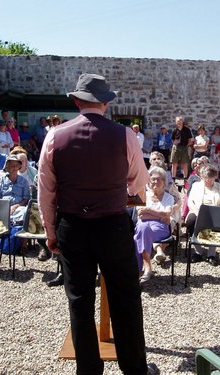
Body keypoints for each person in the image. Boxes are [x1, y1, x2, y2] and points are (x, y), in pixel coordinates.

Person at [38, 73, 151, 374]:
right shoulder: (124, 135)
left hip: (72, 226)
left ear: (76, 101)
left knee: (79, 301)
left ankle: (88, 371)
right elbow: (139, 181)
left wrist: (51, 233)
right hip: (112, 226)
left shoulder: (54, 136)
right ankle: (135, 370)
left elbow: (46, 191)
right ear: (105, 102)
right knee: (126, 299)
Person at [134, 166, 174, 283]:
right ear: (148, 181)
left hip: (161, 229)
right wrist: (159, 215)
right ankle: (147, 269)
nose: (155, 182)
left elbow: (167, 215)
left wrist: (148, 210)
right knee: (143, 228)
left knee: (138, 235)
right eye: (153, 179)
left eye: (158, 179)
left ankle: (141, 270)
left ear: (164, 182)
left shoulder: (168, 197)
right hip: (144, 226)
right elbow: (141, 215)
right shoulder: (143, 195)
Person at [186, 164, 220, 266]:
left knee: (215, 223)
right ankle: (198, 251)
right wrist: (197, 212)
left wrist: (218, 210)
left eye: (211, 179)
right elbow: (190, 201)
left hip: (214, 212)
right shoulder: (196, 186)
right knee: (191, 221)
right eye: (206, 179)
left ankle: (211, 254)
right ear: (202, 177)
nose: (208, 181)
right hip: (197, 211)